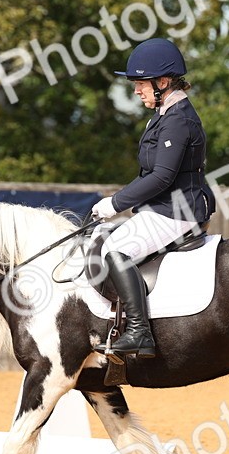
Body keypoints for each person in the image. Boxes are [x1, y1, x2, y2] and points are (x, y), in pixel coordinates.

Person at [90, 37, 215, 359]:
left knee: (116, 251)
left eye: (141, 84)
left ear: (162, 82)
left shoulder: (179, 120)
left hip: (178, 210)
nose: (136, 91)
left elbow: (162, 177)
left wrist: (116, 204)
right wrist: (117, 200)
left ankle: (139, 332)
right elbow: (149, 175)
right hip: (163, 206)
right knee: (101, 239)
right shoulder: (163, 115)